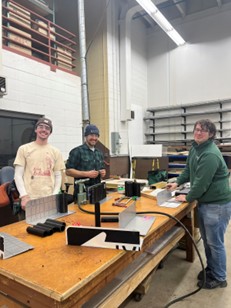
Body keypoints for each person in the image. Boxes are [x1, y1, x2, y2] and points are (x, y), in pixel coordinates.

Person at [167, 119, 231, 289]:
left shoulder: (209, 153)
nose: (198, 133)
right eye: (196, 129)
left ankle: (219, 277)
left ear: (211, 134)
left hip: (217, 205)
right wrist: (177, 183)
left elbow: (202, 183)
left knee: (215, 243)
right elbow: (188, 170)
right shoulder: (196, 149)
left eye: (203, 131)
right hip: (206, 202)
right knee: (208, 241)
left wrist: (187, 198)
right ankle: (212, 269)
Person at [14, 117, 65, 209]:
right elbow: (18, 175)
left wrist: (54, 195)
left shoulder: (56, 152)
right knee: (27, 224)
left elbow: (58, 176)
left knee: (48, 223)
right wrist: (24, 196)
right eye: (41, 127)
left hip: (48, 199)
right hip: (29, 199)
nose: (44, 130)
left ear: (50, 132)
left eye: (47, 128)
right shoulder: (24, 149)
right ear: (36, 130)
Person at [65, 124, 106, 200]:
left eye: (96, 135)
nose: (94, 138)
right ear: (86, 136)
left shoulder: (99, 153)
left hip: (97, 192)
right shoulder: (77, 151)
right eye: (91, 135)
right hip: (82, 193)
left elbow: (102, 169)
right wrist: (86, 174)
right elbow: (68, 171)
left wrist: (103, 172)